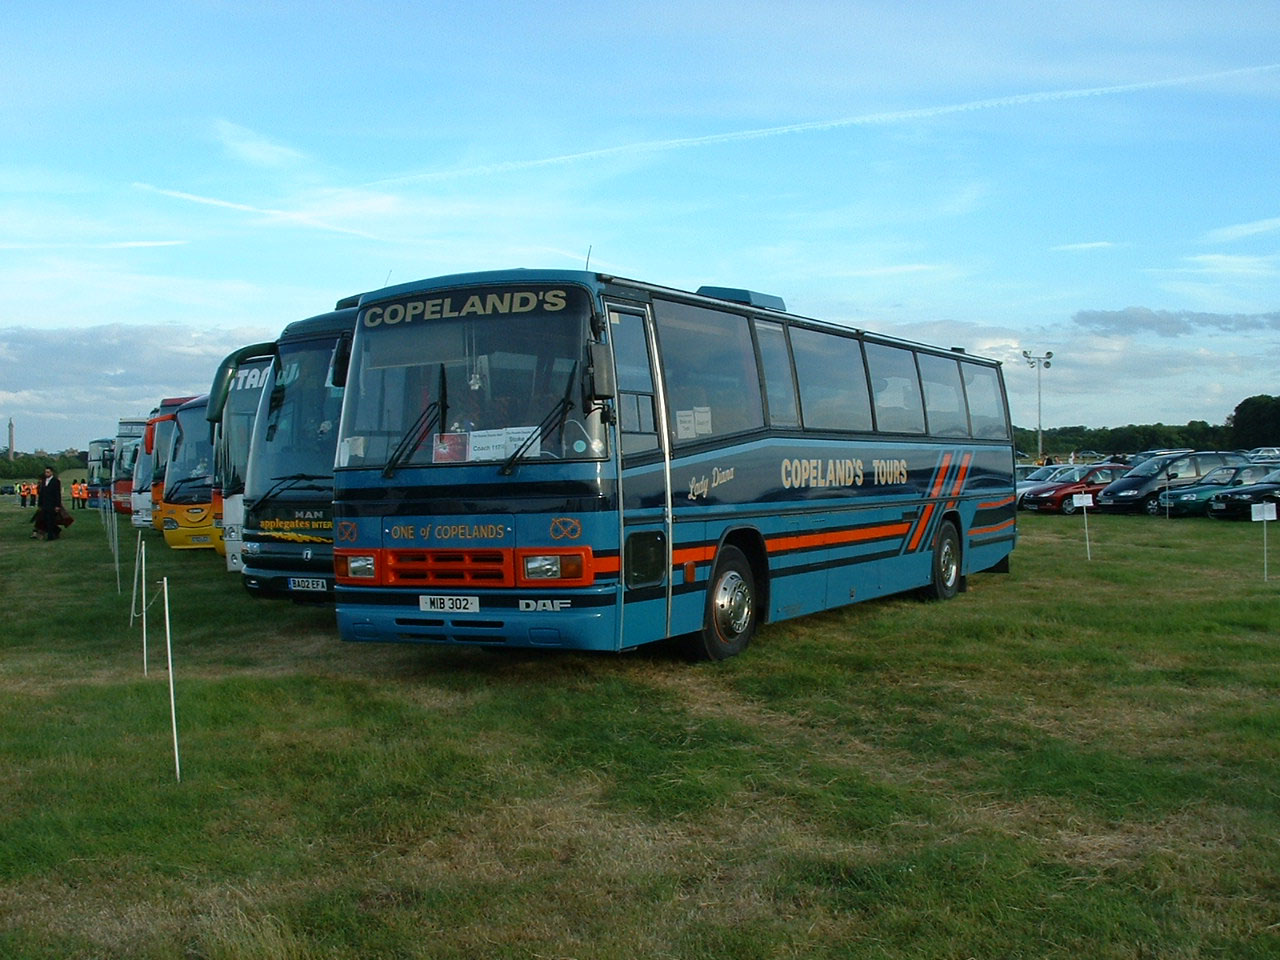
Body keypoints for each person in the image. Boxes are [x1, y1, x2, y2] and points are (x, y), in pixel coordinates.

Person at [37, 466, 63, 541]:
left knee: (51, 519)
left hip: (52, 504)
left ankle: (50, 536)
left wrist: (57, 505)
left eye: (48, 472)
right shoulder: (44, 481)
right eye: (45, 472)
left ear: (51, 472)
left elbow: (57, 494)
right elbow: (41, 493)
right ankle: (56, 530)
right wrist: (40, 504)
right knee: (45, 519)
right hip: (44, 503)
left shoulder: (56, 481)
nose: (46, 473)